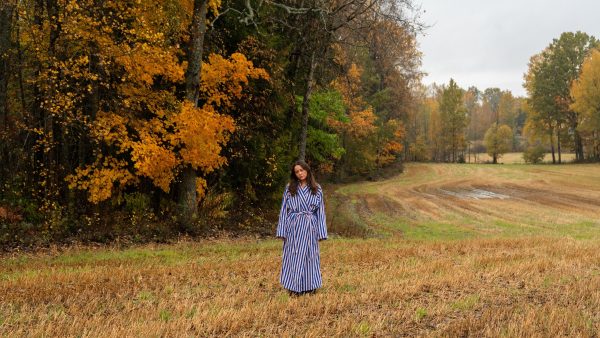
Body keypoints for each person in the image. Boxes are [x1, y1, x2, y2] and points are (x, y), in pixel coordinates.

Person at [276, 160, 327, 296]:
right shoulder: (290, 188)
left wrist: (322, 232)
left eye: (302, 170)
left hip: (310, 226)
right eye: (297, 172)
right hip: (294, 226)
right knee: (293, 255)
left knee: (311, 256)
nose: (300, 173)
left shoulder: (316, 188)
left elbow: (320, 211)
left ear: (307, 170)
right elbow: (284, 210)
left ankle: (310, 287)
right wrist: (282, 230)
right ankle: (293, 287)